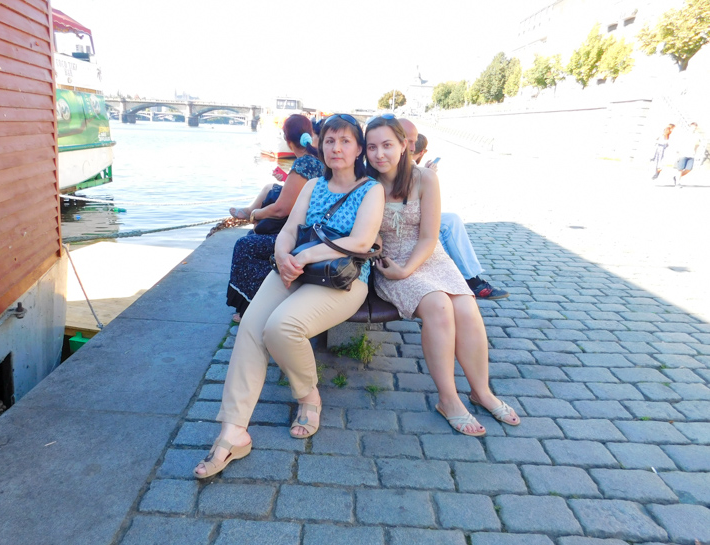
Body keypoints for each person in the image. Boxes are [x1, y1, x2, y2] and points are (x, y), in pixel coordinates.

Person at [194, 114, 385, 479]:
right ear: (321, 146)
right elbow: (289, 230)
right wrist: (282, 255)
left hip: (342, 279)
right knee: (251, 326)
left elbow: (361, 241)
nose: (337, 148)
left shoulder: (370, 189)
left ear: (359, 148)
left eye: (345, 141)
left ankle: (308, 396)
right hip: (295, 269)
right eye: (330, 141)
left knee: (281, 327)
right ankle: (233, 432)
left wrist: (305, 255)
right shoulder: (313, 185)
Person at [365, 115, 519, 436]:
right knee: (438, 305)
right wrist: (381, 248)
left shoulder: (425, 179)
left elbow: (429, 237)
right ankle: (448, 399)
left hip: (429, 258)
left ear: (404, 146)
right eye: (372, 147)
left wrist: (409, 267)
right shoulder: (366, 184)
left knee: (466, 306)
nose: (379, 154)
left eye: (387, 145)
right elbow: (365, 232)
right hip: (391, 264)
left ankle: (481, 391)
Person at [226, 114, 324, 320]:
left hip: (303, 235)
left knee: (245, 246)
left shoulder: (304, 163)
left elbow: (282, 210)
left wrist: (256, 214)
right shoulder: (317, 158)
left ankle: (251, 309)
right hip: (313, 230)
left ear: (288, 140)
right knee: (257, 229)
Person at [398, 119, 509, 300]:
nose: (410, 148)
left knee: (449, 223)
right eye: (408, 142)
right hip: (399, 220)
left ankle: (467, 279)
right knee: (448, 224)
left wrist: (425, 174)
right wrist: (426, 175)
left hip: (407, 216)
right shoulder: (395, 162)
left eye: (413, 143)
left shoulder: (410, 166)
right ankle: (472, 281)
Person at [672, 122, 702, 188]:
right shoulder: (685, 134)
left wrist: (696, 152)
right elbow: (679, 142)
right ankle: (678, 183)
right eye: (692, 127)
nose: (693, 128)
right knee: (680, 169)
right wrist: (678, 151)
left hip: (691, 154)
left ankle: (676, 178)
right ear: (690, 127)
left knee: (689, 169)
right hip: (683, 153)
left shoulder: (696, 136)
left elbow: (697, 145)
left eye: (695, 127)